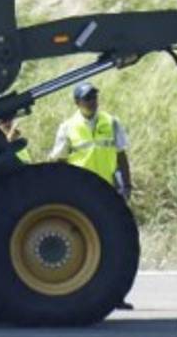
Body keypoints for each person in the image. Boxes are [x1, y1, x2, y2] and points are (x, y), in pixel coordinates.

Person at [48, 81, 134, 309]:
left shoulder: (111, 122)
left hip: (107, 192)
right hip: (81, 196)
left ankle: (116, 296)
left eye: (94, 97)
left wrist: (126, 185)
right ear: (77, 102)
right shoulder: (68, 127)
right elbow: (59, 161)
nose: (92, 102)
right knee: (85, 249)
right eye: (87, 98)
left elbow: (121, 155)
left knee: (115, 247)